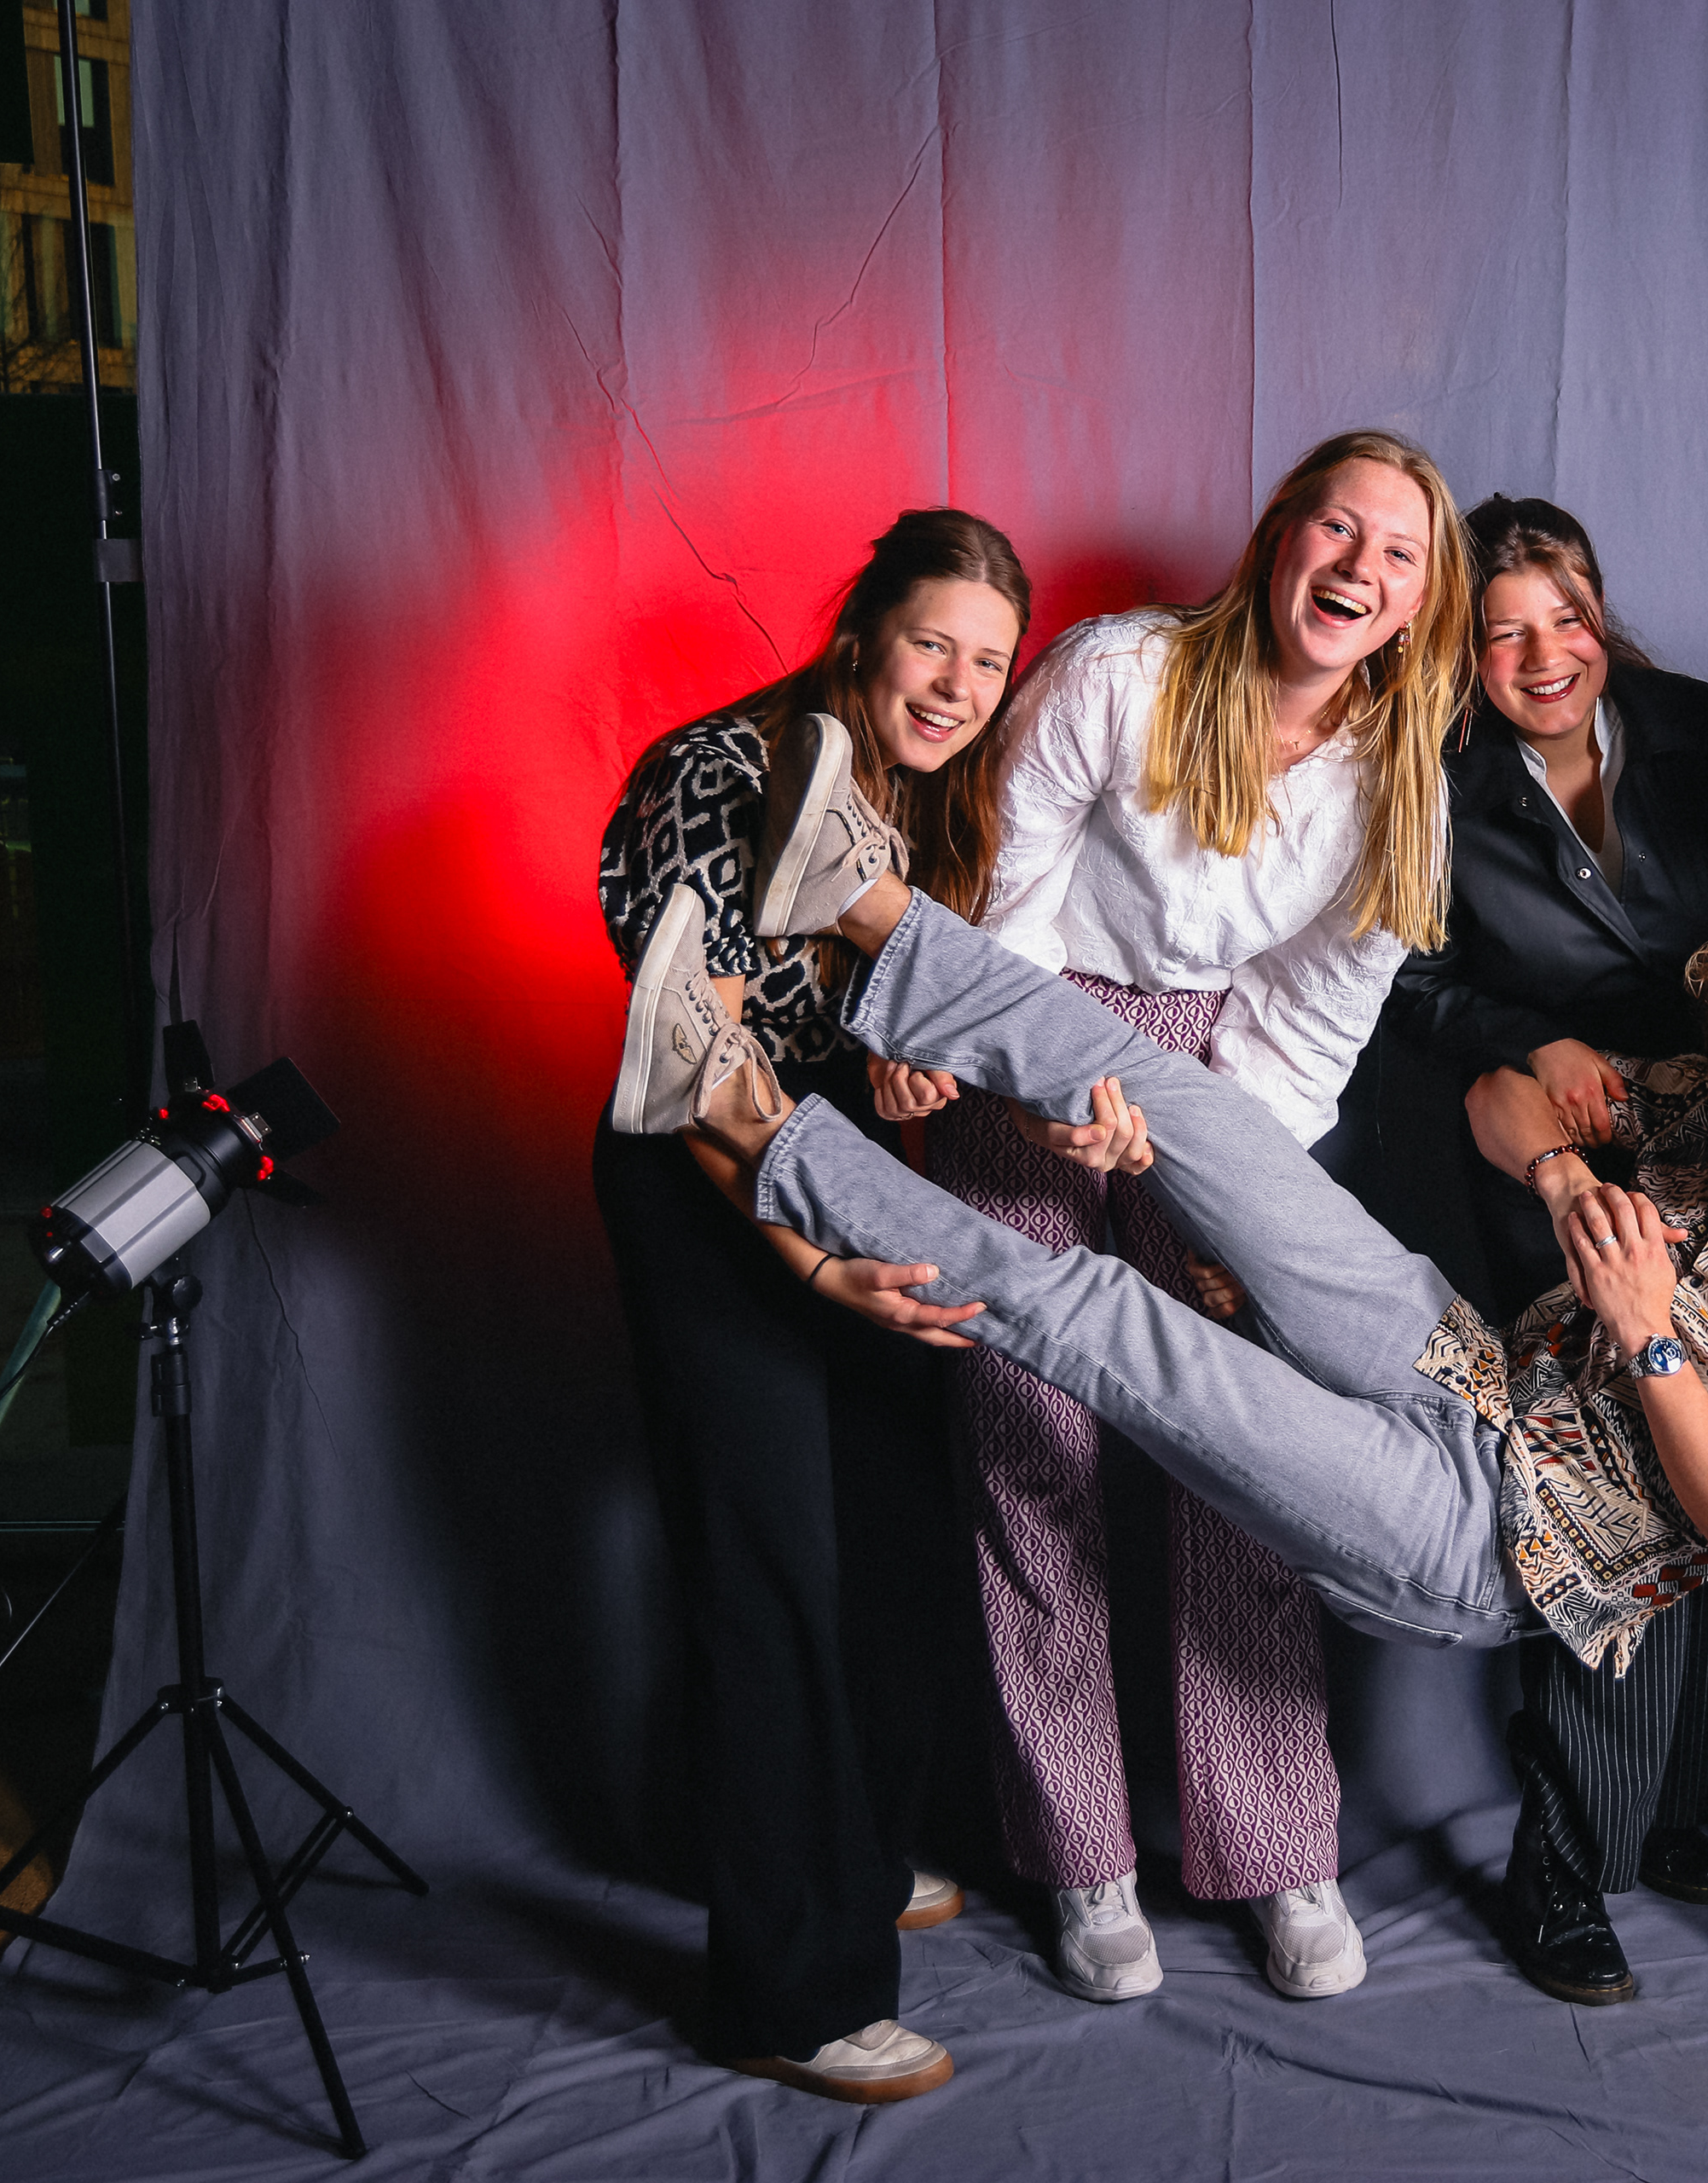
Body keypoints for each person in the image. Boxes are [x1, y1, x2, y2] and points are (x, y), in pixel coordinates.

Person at [605, 821, 1708, 2002]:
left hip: (1484, 1535)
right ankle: (862, 904)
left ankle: (749, 1119)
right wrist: (1566, 1177)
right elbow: (1503, 1096)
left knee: (1113, 1321)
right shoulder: (1706, 1115)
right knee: (1187, 1108)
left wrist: (1649, 1333)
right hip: (1466, 1369)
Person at [897, 431, 1471, 2006]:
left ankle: (1276, 1846)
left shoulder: (1399, 782)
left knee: (1246, 1450)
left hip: (1227, 1076)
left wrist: (1232, 1192)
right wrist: (1035, 1078)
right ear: (1280, 536)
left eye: (1398, 554)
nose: (1359, 568)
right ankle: (1083, 1859)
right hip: (1030, 1021)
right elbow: (1001, 877)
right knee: (1031, 1448)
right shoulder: (1119, 671)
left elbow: (1319, 1007)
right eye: (1337, 529)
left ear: (1420, 601)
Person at [591, 508, 1031, 2105]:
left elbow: (847, 1020)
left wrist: (897, 1068)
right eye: (932, 645)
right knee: (773, 1572)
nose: (959, 686)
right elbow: (699, 1062)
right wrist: (809, 1260)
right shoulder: (721, 771)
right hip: (711, 1181)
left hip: (834, 1161)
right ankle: (790, 1988)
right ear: (862, 634)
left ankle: (850, 1852)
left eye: (989, 663)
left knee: (900, 1532)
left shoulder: (918, 795)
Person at [1384, 495, 1708, 2006]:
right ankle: (1557, 1859)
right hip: (1549, 1149)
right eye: (1503, 634)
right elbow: (1406, 978)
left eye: (1567, 618)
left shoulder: (1702, 726)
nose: (1544, 656)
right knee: (1591, 1480)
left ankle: (1673, 1809)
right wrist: (1530, 1036)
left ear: (1603, 612)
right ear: (1463, 652)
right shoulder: (1430, 770)